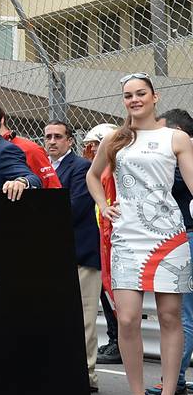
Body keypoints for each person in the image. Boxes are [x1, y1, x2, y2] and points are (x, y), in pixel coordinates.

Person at [86, 73, 192, 395]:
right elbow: (92, 175)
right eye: (128, 95)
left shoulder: (175, 138)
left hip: (169, 238)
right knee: (128, 319)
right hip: (127, 237)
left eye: (141, 94)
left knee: (169, 317)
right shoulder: (116, 139)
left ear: (155, 96)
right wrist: (104, 203)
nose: (134, 100)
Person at [45, 120, 101, 393]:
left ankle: (87, 372)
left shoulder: (80, 168)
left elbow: (76, 206)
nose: (52, 141)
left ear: (70, 141)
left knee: (85, 315)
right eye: (48, 137)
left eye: (58, 137)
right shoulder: (44, 169)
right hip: (55, 253)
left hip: (82, 251)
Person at [145, 108, 193, 395]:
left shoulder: (180, 163)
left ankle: (172, 380)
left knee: (182, 313)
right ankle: (179, 378)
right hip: (182, 236)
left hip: (187, 236)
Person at [84, 123, 124, 365]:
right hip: (104, 235)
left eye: (95, 145)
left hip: (115, 237)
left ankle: (119, 340)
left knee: (115, 293)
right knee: (106, 292)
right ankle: (115, 338)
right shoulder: (100, 171)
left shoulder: (113, 170)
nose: (91, 151)